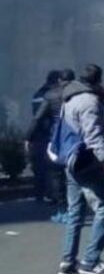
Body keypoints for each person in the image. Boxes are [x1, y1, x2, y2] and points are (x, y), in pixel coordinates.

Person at [58, 64, 104, 274]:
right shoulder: (89, 101)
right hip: (88, 162)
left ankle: (68, 260)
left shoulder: (69, 97)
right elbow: (94, 137)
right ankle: (90, 261)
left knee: (75, 212)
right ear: (98, 80)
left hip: (71, 160)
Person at [26, 69, 74, 221]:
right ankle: (74, 205)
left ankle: (60, 207)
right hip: (73, 137)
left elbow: (37, 118)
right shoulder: (78, 95)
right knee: (72, 172)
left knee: (54, 171)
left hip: (51, 137)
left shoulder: (44, 95)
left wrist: (29, 137)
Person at [26, 70, 60, 204]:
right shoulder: (51, 95)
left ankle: (39, 193)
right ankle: (53, 194)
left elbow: (36, 117)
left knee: (39, 166)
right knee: (52, 166)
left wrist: (29, 137)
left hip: (38, 135)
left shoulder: (37, 94)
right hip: (49, 134)